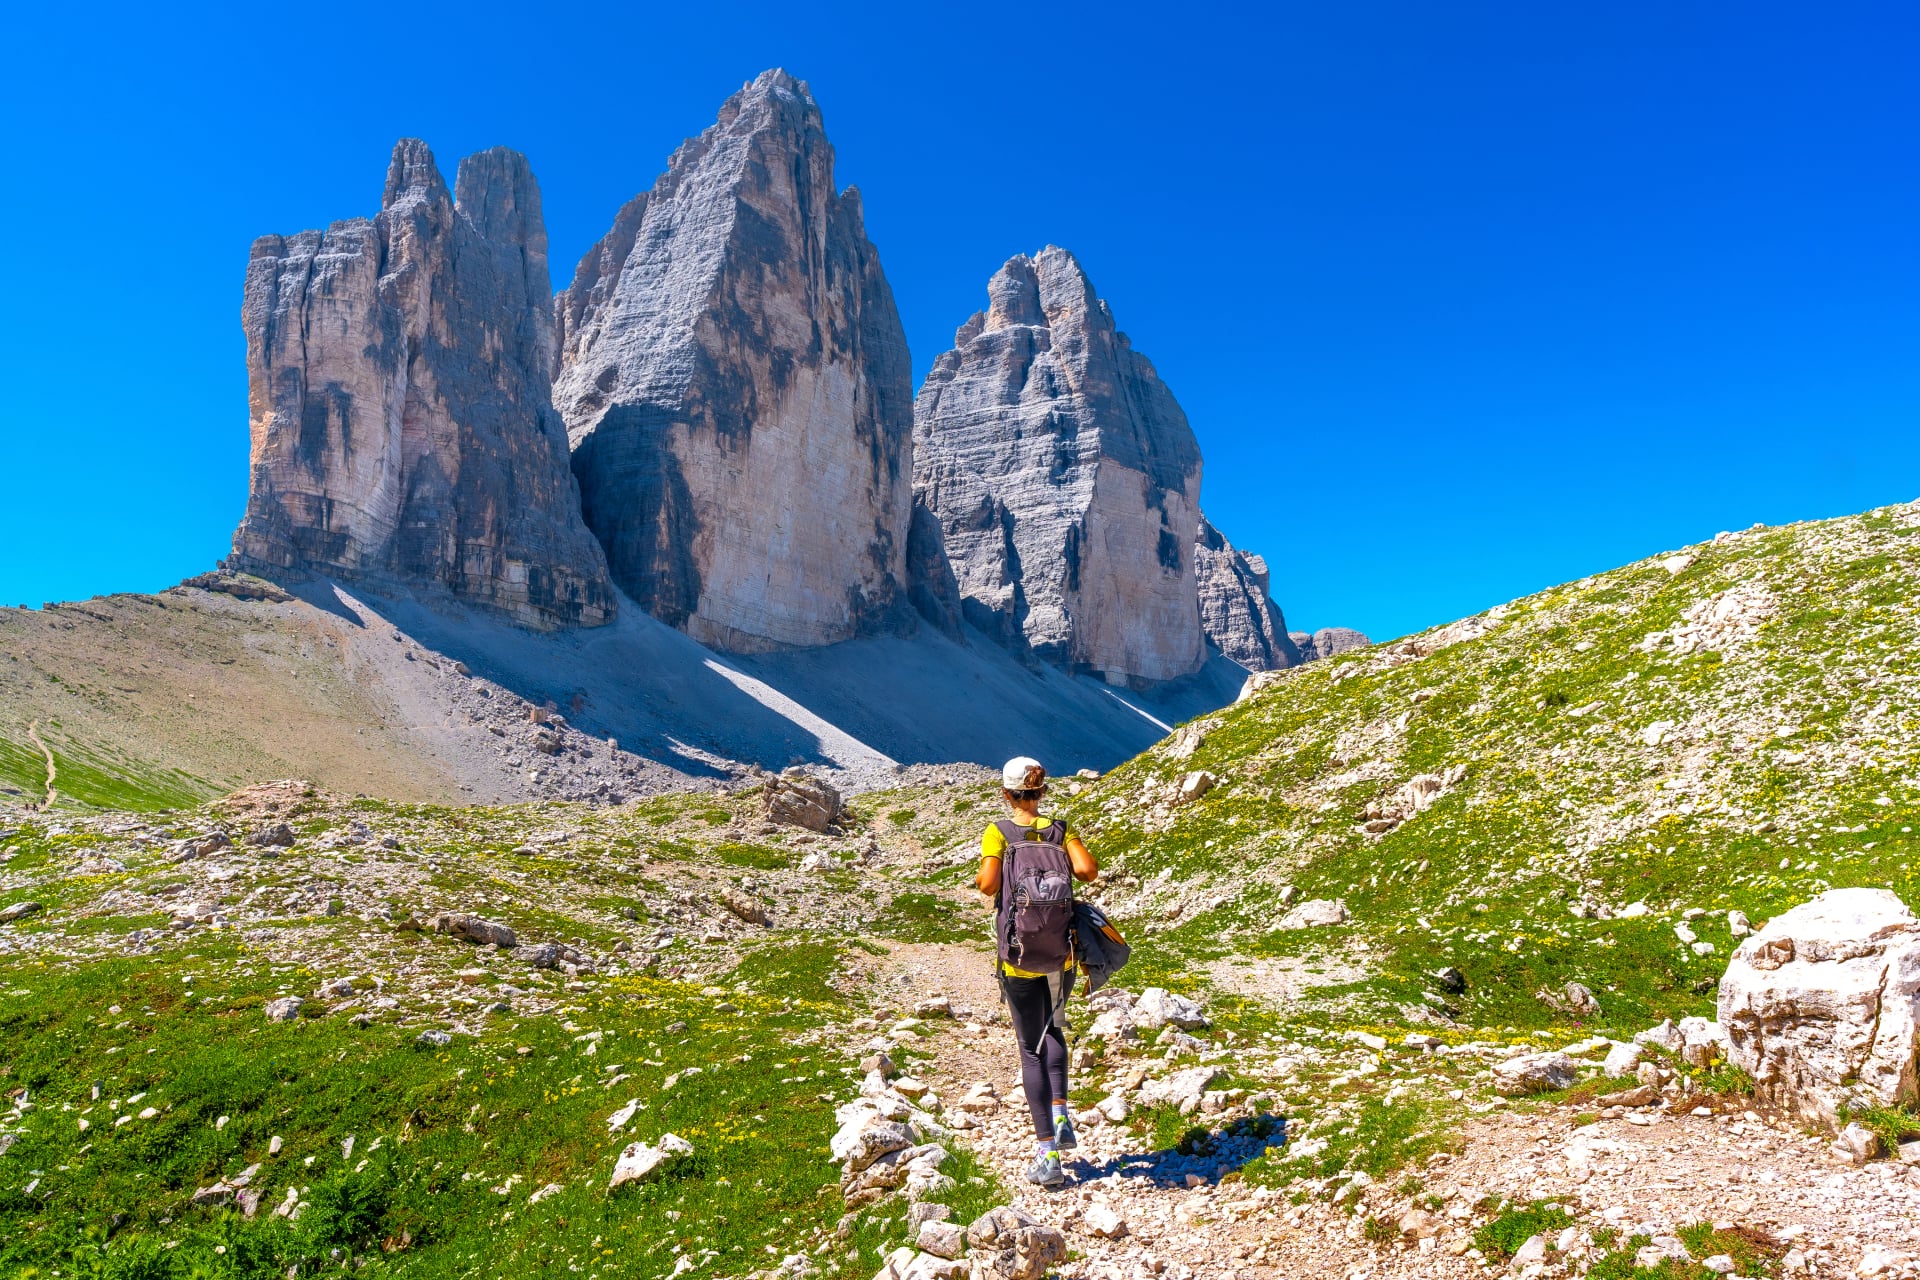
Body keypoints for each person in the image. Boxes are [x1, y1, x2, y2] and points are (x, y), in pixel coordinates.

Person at [976, 756, 1098, 1188]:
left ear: (1007, 794)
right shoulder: (1061, 830)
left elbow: (988, 885)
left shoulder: (1000, 832)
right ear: (1042, 791)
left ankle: (1048, 1156)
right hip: (1061, 954)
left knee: (1030, 1048)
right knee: (1055, 1032)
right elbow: (1086, 871)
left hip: (1020, 955)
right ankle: (1062, 1116)